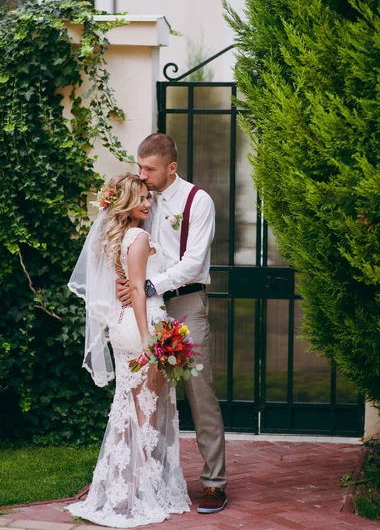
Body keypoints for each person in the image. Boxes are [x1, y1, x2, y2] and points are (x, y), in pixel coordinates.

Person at [66, 173, 191, 528]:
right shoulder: (137, 235)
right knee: (145, 413)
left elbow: (126, 284)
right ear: (125, 203)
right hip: (140, 327)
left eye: (149, 199)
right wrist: (149, 339)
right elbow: (137, 290)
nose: (148, 205)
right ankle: (139, 493)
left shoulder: (117, 236)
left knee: (130, 408)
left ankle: (123, 487)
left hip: (123, 326)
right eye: (141, 200)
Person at [116, 134, 228, 514]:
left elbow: (194, 262)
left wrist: (149, 286)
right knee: (151, 393)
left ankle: (214, 483)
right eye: (139, 166)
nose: (141, 175)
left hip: (185, 303)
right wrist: (127, 282)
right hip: (146, 307)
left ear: (171, 168)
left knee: (200, 392)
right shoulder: (140, 199)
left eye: (149, 169)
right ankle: (151, 478)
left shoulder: (198, 201)